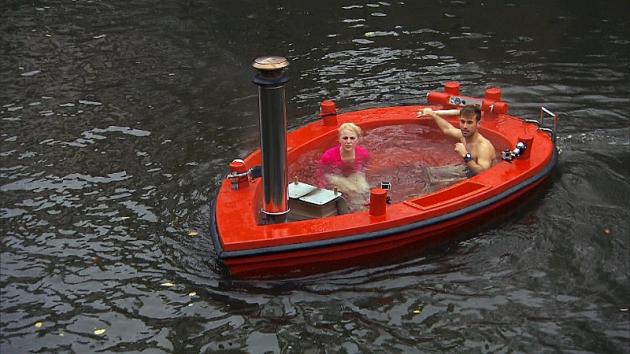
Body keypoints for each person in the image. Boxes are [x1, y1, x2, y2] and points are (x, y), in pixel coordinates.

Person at [417, 104, 496, 175]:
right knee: (424, 173)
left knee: (430, 179)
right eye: (462, 121)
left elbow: (483, 173)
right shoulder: (464, 136)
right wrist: (432, 114)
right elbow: (447, 128)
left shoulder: (483, 146)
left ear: (478, 124)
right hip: (467, 169)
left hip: (477, 177)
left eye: (469, 122)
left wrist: (465, 155)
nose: (465, 126)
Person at [319, 123, 370, 211]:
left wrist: (360, 177)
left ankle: (366, 207)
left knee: (364, 189)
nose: (348, 141)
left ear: (358, 139)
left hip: (352, 173)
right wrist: (322, 187)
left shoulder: (363, 154)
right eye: (345, 138)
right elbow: (321, 172)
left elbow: (365, 167)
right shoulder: (328, 156)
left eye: (352, 138)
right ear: (339, 139)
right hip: (333, 175)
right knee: (353, 190)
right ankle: (359, 210)